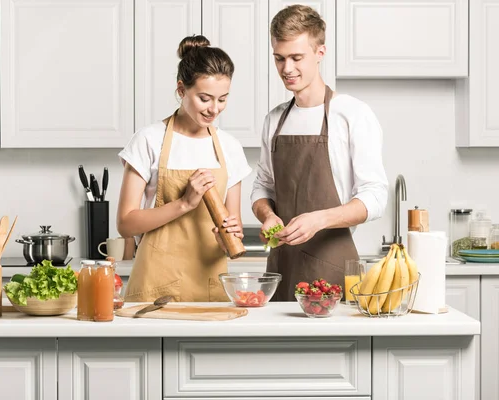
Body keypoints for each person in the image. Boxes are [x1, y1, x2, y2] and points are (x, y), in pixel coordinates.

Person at [251, 5, 388, 301]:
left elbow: (376, 197)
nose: (287, 69)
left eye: (296, 58)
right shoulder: (274, 120)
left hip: (332, 270)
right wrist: (267, 215)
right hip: (280, 269)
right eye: (279, 58)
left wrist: (319, 219)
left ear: (320, 53)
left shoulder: (351, 114)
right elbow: (263, 186)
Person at [118, 35, 252, 302]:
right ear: (181, 90)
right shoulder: (149, 139)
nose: (214, 109)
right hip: (156, 288)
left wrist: (229, 235)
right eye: (205, 98)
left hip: (210, 288)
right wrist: (184, 204)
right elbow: (125, 224)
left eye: (223, 99)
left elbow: (230, 232)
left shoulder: (230, 147)